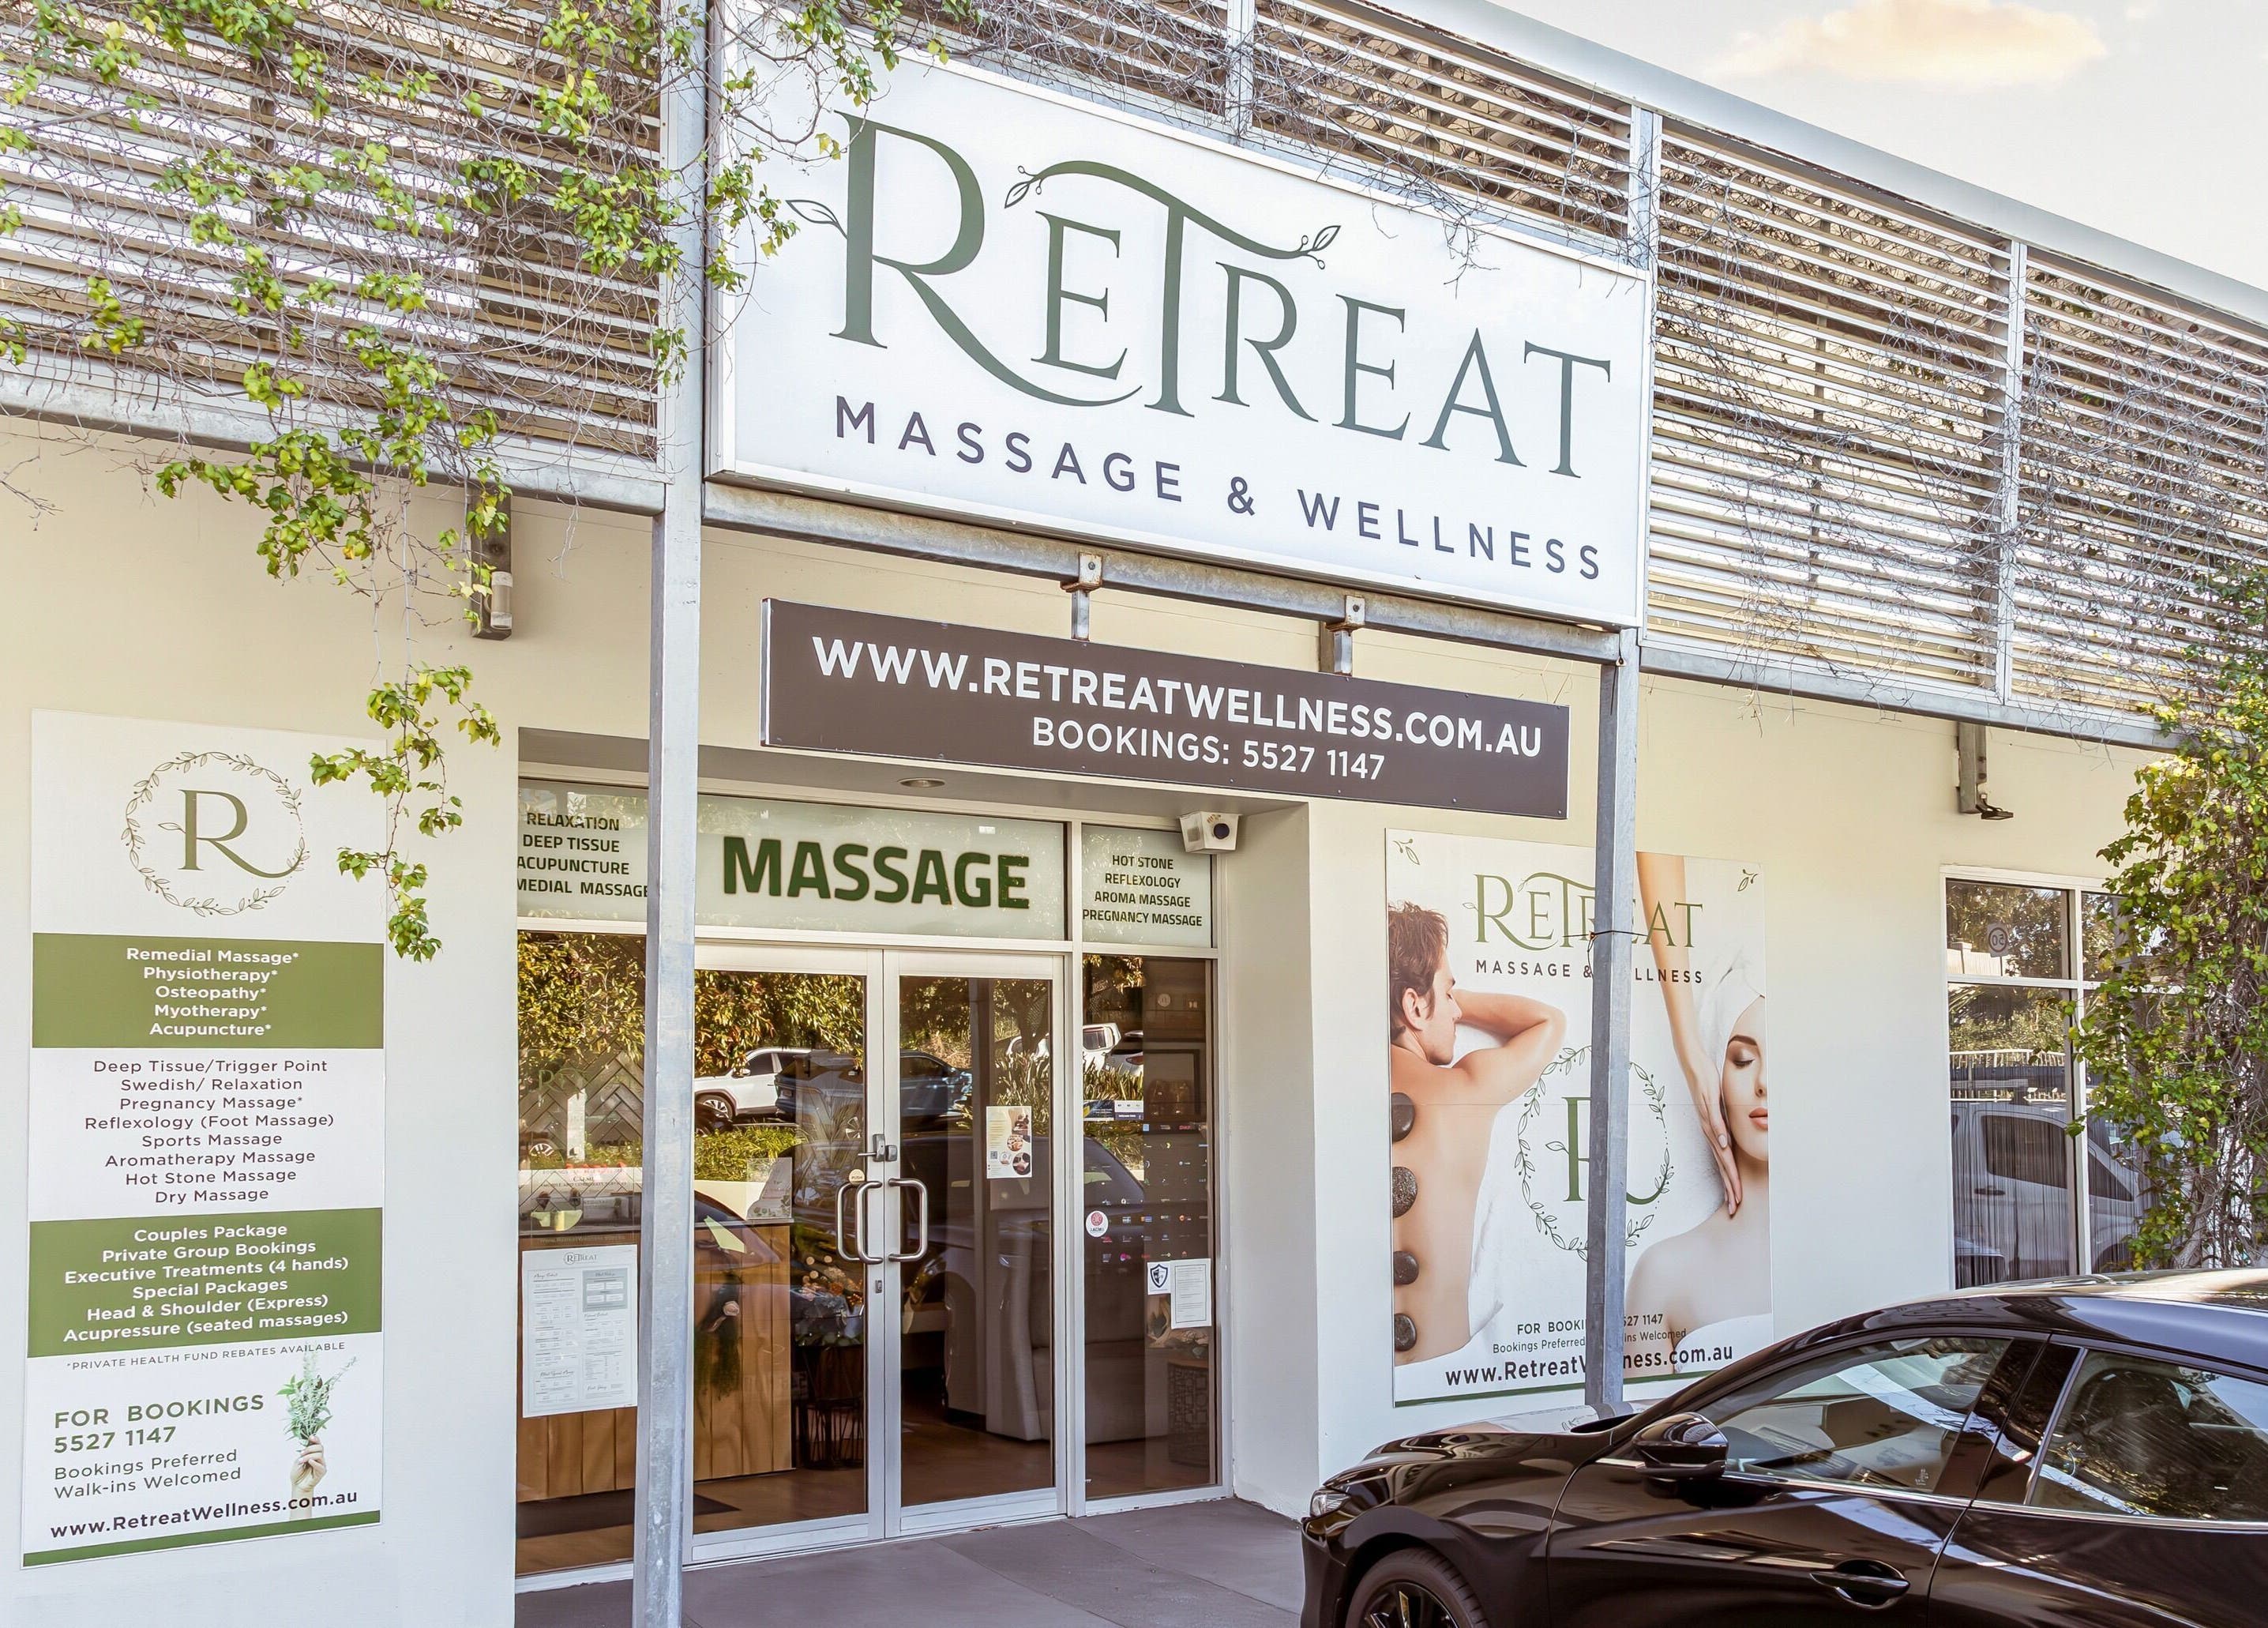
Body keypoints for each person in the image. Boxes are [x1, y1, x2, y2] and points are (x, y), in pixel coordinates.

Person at [1388, 901, 1565, 1365]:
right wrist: (1428, 996)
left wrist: (1416, 993)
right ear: (1413, 1005)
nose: (1458, 1008)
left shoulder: (1330, 1093)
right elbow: (1548, 1022)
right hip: (1437, 1376)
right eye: (1449, 992)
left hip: (1351, 1381)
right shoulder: (1462, 1093)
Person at [1628, 852, 1770, 1359]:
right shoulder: (1664, 1272)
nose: (1765, 1084)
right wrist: (1689, 1052)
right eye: (1743, 1059)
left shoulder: (1845, 1246)